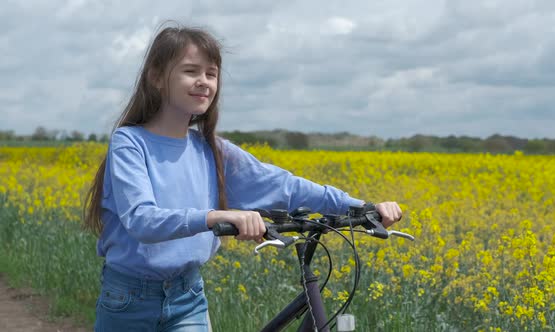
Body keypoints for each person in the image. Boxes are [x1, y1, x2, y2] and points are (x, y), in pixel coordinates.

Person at [84, 23, 403, 332]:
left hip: (187, 296)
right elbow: (141, 220)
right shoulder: (130, 142)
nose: (204, 82)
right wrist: (217, 217)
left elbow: (284, 186)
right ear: (156, 77)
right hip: (128, 299)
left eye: (211, 74)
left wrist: (360, 206)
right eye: (191, 71)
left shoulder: (211, 149)